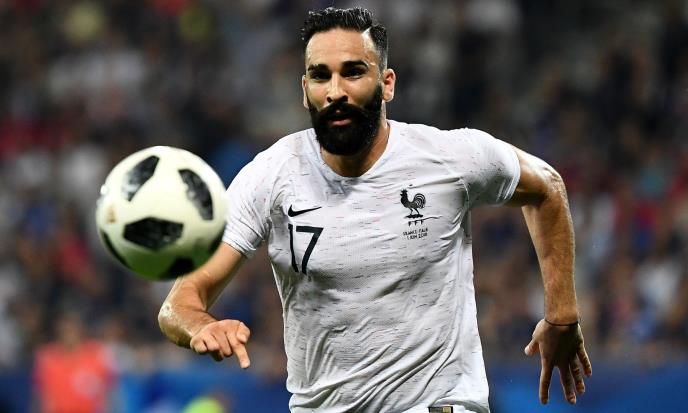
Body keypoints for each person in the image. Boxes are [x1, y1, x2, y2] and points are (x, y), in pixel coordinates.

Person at [158, 7, 592, 413]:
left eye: (353, 72)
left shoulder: (449, 157)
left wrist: (562, 316)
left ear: (387, 83)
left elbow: (546, 187)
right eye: (320, 76)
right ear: (305, 91)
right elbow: (179, 303)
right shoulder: (271, 176)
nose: (336, 92)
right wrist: (201, 326)